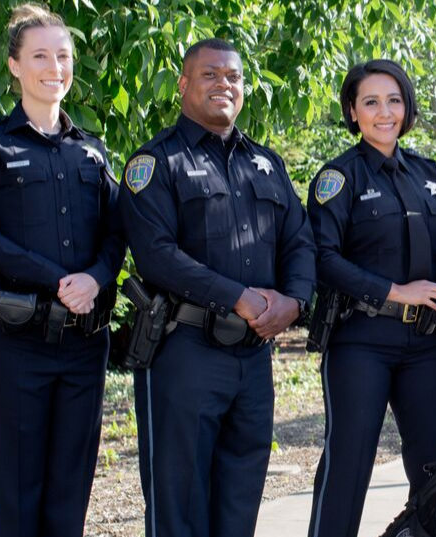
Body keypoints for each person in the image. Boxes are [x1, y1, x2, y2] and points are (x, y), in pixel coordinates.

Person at [119, 38, 315, 537]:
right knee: (179, 499)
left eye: (233, 77)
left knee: (241, 493)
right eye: (209, 75)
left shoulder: (266, 163)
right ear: (184, 85)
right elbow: (157, 255)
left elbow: (299, 242)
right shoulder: (156, 163)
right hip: (184, 352)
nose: (223, 84)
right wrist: (239, 296)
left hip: (254, 357)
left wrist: (294, 301)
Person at [0, 4, 125, 535]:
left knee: (69, 490)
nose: (55, 66)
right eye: (40, 56)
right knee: (16, 491)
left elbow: (119, 230)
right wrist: (58, 280)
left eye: (63, 55)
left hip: (82, 344)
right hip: (15, 343)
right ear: (14, 66)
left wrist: (96, 278)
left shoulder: (92, 151)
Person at [305, 59, 436, 537]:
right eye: (370, 101)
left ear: (407, 107)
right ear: (352, 111)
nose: (383, 112)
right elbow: (322, 257)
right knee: (348, 464)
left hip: (426, 349)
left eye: (394, 100)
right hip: (360, 342)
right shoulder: (337, 179)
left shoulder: (431, 176)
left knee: (434, 468)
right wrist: (396, 291)